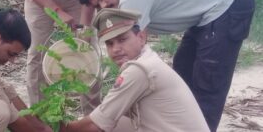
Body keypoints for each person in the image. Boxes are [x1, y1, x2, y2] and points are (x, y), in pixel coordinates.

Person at [77, 0, 256, 131]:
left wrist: (113, 104)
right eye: (97, 6)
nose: (104, 5)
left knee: (208, 82)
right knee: (183, 67)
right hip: (207, 11)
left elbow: (134, 56)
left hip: (228, 0)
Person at [61, 8, 209, 132]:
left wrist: (59, 128)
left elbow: (95, 125)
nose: (116, 49)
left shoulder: (139, 70)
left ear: (141, 37)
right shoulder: (148, 58)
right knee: (114, 122)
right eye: (110, 44)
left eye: (122, 39)